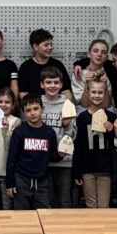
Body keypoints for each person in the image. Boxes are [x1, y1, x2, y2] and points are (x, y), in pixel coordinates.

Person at [6, 95, 64, 210]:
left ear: (43, 109)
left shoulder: (49, 132)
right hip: (21, 180)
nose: (32, 113)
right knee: (22, 215)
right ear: (23, 113)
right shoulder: (19, 131)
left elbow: (52, 157)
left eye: (36, 109)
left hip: (42, 181)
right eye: (28, 110)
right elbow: (11, 159)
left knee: (45, 213)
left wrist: (60, 155)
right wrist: (10, 183)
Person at [74, 79, 116, 208]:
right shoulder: (82, 118)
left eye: (100, 92)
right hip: (87, 169)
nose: (97, 95)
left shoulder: (111, 117)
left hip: (105, 169)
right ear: (88, 93)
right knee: (91, 205)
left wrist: (112, 131)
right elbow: (78, 146)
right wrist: (77, 172)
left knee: (104, 205)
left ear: (105, 94)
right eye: (93, 92)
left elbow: (115, 145)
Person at [40, 66, 77, 208]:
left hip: (64, 162)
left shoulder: (68, 105)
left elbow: (73, 136)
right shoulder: (37, 104)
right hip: (43, 161)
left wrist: (66, 125)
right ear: (42, 84)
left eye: (56, 82)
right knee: (45, 201)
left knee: (64, 201)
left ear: (61, 85)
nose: (52, 86)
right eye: (48, 82)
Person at [17, 29, 73, 101]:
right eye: (46, 45)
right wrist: (35, 106)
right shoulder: (25, 67)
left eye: (51, 44)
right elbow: (23, 93)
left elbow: (66, 91)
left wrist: (66, 105)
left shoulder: (58, 65)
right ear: (35, 47)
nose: (50, 47)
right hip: (34, 106)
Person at [72, 39, 112, 111]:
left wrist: (105, 85)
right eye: (95, 51)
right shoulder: (79, 73)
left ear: (106, 57)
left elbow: (106, 105)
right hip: (85, 109)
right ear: (88, 54)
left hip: (104, 109)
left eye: (103, 52)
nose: (99, 54)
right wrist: (87, 84)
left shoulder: (110, 73)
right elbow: (84, 105)